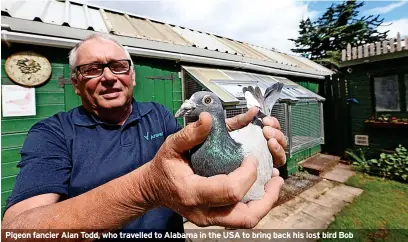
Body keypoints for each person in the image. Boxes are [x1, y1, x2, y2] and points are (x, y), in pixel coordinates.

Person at [2, 33, 287, 234]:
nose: (109, 76)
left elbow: (188, 164)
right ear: (76, 83)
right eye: (92, 69)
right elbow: (17, 232)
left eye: (118, 66)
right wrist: (147, 189)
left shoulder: (159, 115)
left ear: (132, 76)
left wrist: (225, 138)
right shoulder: (52, 133)